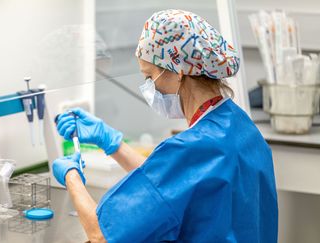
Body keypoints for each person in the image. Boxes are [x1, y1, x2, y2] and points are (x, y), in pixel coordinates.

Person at [52, 9, 278, 243]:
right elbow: (170, 186)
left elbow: (101, 235)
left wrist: (71, 176)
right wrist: (113, 143)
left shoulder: (191, 148)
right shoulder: (240, 127)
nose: (149, 88)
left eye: (150, 77)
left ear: (178, 72)